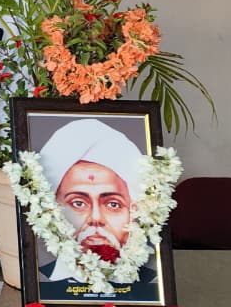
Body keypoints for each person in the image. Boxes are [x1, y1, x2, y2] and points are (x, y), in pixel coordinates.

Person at [36, 118, 157, 289]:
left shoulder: (155, 287)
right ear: (52, 210)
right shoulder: (38, 282)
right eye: (78, 203)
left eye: (113, 204)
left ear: (134, 212)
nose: (96, 218)